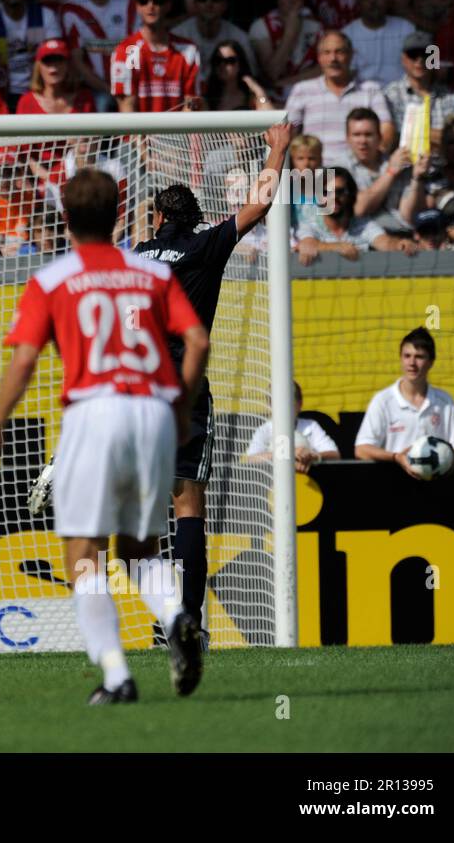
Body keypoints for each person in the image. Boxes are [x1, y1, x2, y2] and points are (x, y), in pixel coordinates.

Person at [0, 167, 210, 704]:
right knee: (140, 548)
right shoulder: (151, 273)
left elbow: (26, 359)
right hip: (152, 410)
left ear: (65, 217)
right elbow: (196, 340)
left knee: (84, 553)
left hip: (95, 410)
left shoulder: (54, 279)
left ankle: (116, 675)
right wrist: (179, 404)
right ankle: (178, 618)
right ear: (117, 213)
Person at [125, 124, 292, 638]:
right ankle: (189, 622)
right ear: (195, 218)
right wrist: (278, 147)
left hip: (134, 388)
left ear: (156, 217)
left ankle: (162, 616)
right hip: (184, 388)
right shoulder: (205, 245)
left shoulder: (133, 253)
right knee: (187, 502)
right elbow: (260, 206)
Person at [354, 326, 454, 474]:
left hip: (437, 485)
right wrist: (397, 457)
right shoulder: (383, 400)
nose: (412, 363)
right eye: (407, 356)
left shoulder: (444, 400)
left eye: (419, 357)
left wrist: (444, 458)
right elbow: (362, 449)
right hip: (393, 485)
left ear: (431, 362)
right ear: (400, 358)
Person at [285, 30, 393, 164]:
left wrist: (374, 163)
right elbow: (288, 134)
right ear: (319, 57)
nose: (333, 59)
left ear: (351, 55)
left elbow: (386, 129)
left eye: (339, 52)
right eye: (327, 52)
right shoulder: (302, 90)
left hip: (359, 173)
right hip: (316, 172)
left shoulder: (371, 89)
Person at [60, 0, 140, 108]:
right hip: (93, 89)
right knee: (101, 103)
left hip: (130, 85)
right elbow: (77, 61)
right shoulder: (70, 8)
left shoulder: (130, 5)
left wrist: (126, 88)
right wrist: (109, 89)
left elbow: (136, 51)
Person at [109, 0, 201, 113]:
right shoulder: (128, 50)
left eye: (157, 1)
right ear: (137, 6)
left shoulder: (188, 50)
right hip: (139, 133)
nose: (150, 6)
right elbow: (126, 106)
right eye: (144, 1)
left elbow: (191, 103)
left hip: (178, 132)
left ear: (168, 5)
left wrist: (176, 134)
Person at [381, 31, 454, 144]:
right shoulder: (389, 95)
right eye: (413, 54)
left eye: (426, 54)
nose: (420, 60)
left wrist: (409, 134)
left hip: (442, 161)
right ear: (403, 59)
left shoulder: (453, 99)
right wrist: (438, 135)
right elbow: (390, 139)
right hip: (404, 160)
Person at [250, 0, 322, 94]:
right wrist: (290, 33)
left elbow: (323, 69)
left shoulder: (316, 27)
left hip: (309, 92)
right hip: (272, 95)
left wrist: (289, 82)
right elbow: (272, 73)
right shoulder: (261, 27)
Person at [244, 382, 340, 470]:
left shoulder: (311, 426)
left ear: (300, 404)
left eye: (288, 403)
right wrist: (287, 454)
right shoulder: (265, 429)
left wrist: (312, 456)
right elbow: (251, 458)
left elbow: (335, 455)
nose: (283, 409)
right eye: (277, 403)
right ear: (269, 406)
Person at [342, 0, 416, 88]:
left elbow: (432, 50)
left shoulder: (405, 28)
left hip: (402, 95)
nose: (373, 1)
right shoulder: (347, 34)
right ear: (358, 2)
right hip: (361, 97)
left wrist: (435, 65)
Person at [203, 40, 273, 112]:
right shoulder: (206, 94)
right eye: (218, 60)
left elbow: (271, 118)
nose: (222, 65)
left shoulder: (251, 95)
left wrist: (258, 90)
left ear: (240, 64)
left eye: (230, 60)